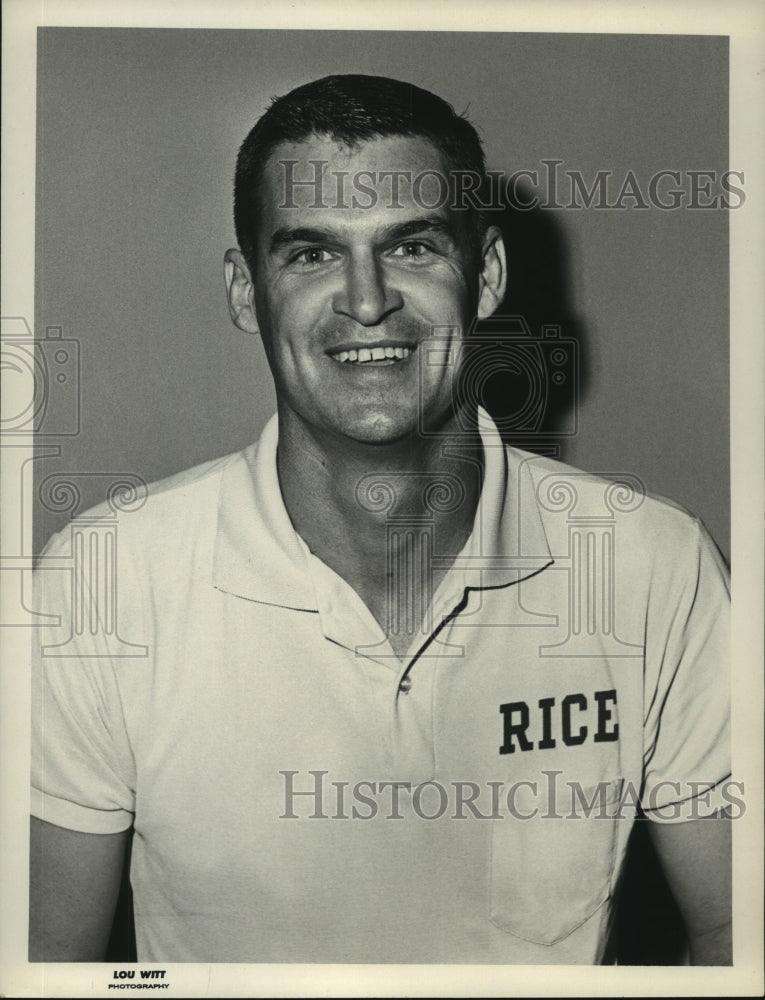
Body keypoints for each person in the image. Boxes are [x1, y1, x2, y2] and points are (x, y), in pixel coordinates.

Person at [29, 74, 732, 965]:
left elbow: (731, 932)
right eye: (312, 254)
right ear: (246, 292)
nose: (366, 301)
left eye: (411, 248)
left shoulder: (653, 566)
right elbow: (45, 972)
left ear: (485, 275)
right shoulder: (102, 583)